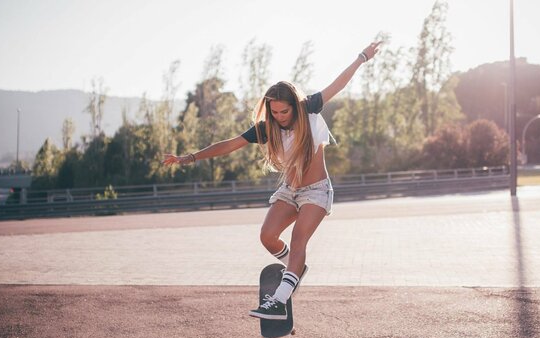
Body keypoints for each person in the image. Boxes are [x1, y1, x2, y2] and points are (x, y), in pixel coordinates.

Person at [163, 41, 382, 320]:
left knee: (299, 240)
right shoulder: (267, 128)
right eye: (274, 112)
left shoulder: (310, 108)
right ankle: (294, 269)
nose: (279, 117)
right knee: (267, 237)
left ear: (294, 105)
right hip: (289, 191)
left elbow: (339, 83)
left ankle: (279, 300)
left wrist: (362, 57)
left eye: (284, 112)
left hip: (316, 192)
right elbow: (230, 144)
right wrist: (189, 158)